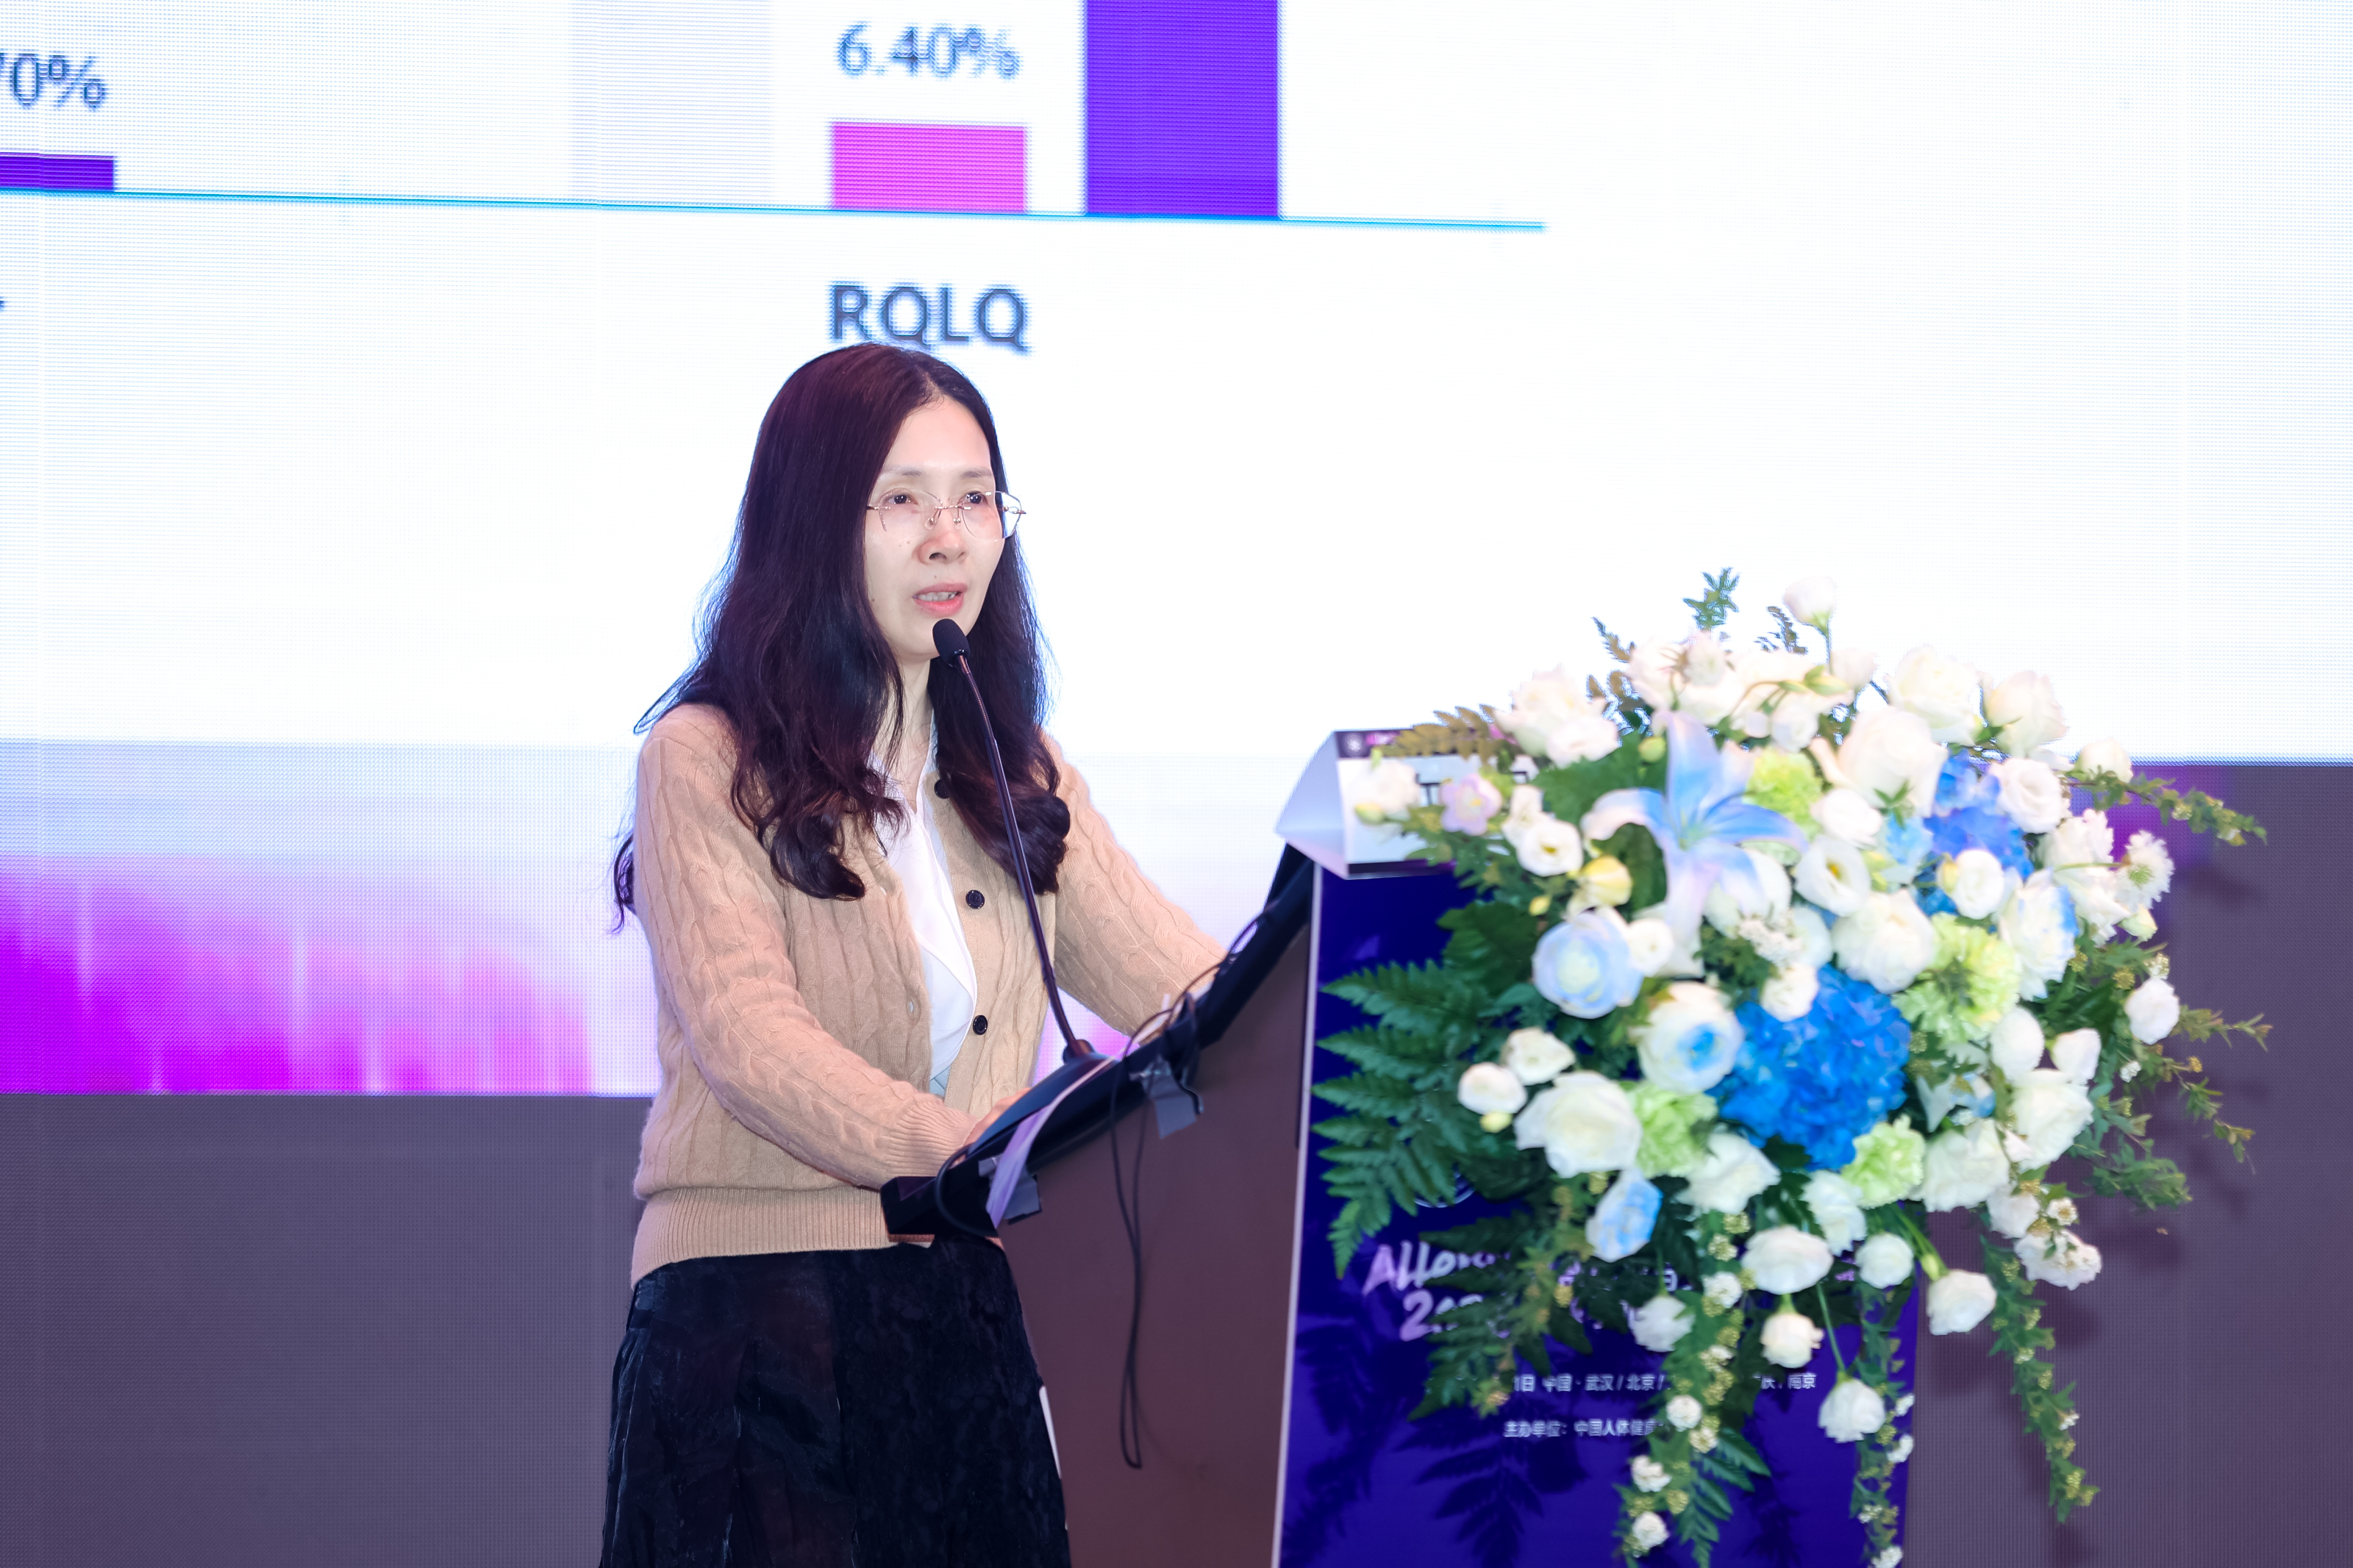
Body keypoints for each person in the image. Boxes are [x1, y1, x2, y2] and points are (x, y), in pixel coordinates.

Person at [600, 343, 1224, 1567]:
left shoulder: (1020, 770)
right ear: (813, 523)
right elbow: (751, 1043)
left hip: (967, 1320)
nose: (950, 537)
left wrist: (1371, 1030)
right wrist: (989, 1155)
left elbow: (1191, 993)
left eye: (976, 498)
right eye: (902, 499)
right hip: (757, 1327)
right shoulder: (704, 755)